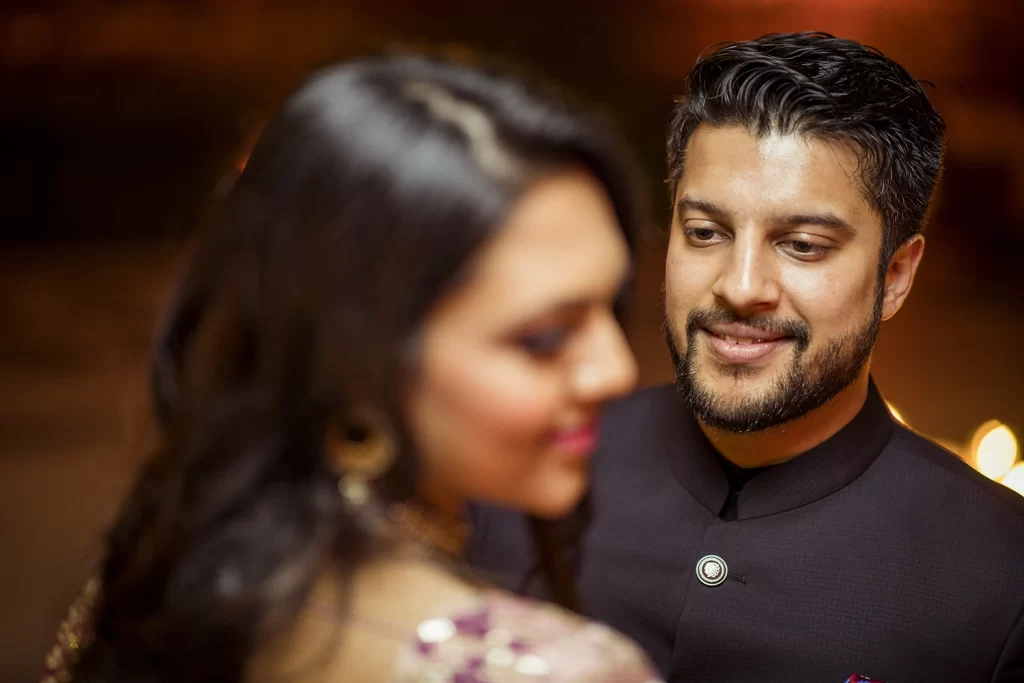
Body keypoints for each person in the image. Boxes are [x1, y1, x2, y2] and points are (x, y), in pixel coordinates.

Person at [46, 52, 665, 683]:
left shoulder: (171, 577)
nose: (614, 370)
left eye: (615, 306)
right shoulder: (558, 672)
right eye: (545, 338)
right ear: (356, 359)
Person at [468, 32, 1024, 683]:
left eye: (804, 245)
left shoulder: (1001, 577)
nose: (740, 285)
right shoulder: (511, 468)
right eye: (706, 233)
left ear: (895, 275)